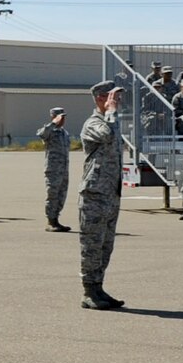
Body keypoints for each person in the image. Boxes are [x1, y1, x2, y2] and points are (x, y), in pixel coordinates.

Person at [79, 81, 126, 310]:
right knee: (92, 245)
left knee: (106, 245)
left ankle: (99, 287)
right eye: (113, 96)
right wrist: (111, 112)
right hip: (95, 194)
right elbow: (106, 136)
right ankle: (89, 291)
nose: (117, 101)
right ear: (100, 98)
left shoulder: (112, 121)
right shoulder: (93, 123)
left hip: (111, 194)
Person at [37, 108, 71, 232]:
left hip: (64, 169)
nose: (63, 120)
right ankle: (50, 222)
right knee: (52, 195)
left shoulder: (64, 133)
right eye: (60, 117)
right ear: (54, 117)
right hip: (53, 169)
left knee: (62, 195)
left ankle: (56, 219)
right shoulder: (49, 131)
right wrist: (53, 123)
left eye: (64, 117)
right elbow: (41, 134)